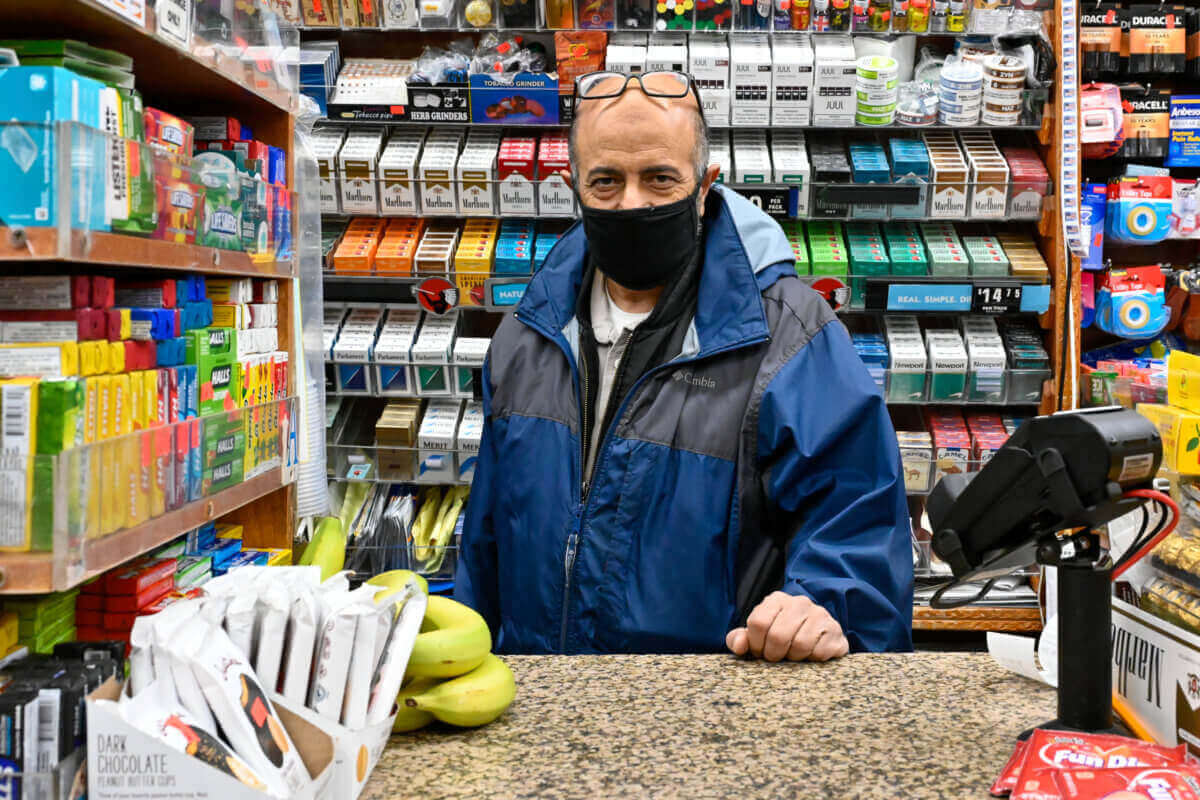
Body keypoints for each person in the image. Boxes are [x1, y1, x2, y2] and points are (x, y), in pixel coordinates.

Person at [456, 70, 913, 661]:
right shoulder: (525, 337)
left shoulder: (791, 340)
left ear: (704, 187)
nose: (632, 202)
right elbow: (486, 548)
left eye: (659, 178)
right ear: (572, 187)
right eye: (606, 181)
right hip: (539, 702)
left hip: (716, 714)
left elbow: (858, 528)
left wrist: (820, 605)